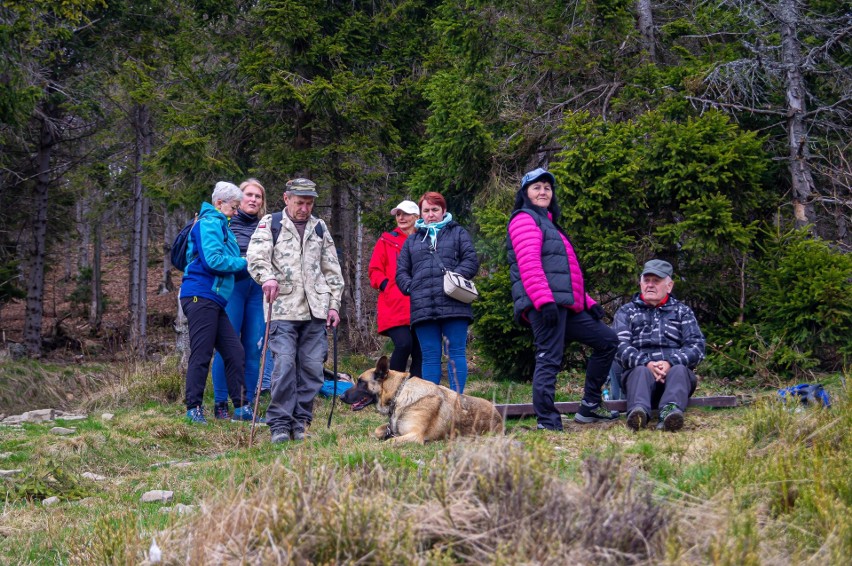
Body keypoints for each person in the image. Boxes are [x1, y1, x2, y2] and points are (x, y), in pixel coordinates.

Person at [506, 168, 619, 431]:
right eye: (536, 187)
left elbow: (564, 274)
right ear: (525, 193)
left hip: (564, 305)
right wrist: (544, 302)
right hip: (544, 304)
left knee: (607, 341)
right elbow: (529, 264)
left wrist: (589, 303)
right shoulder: (524, 220)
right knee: (549, 358)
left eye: (547, 187)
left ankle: (590, 406)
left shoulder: (549, 224)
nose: (543, 191)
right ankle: (547, 421)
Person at [247, 177, 344, 443]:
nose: (304, 208)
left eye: (309, 203)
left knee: (312, 369)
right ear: (287, 198)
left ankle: (301, 422)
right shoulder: (271, 223)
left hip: (316, 310)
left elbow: (332, 270)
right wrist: (266, 277)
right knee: (285, 366)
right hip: (282, 308)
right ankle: (279, 424)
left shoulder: (320, 227)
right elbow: (256, 257)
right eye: (300, 202)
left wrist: (334, 305)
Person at [179, 181, 252, 424]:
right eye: (233, 207)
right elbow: (213, 260)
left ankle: (241, 409)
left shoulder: (221, 224)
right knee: (201, 353)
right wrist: (246, 262)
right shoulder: (210, 223)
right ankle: (193, 409)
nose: (235, 212)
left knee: (234, 351)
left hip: (214, 298)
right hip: (200, 295)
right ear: (219, 203)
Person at [396, 191, 479, 393]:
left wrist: (452, 279)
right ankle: (432, 403)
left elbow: (471, 260)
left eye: (435, 209)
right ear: (421, 214)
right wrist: (411, 287)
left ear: (443, 211)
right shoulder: (412, 241)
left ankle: (457, 401)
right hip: (423, 307)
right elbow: (401, 272)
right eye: (427, 210)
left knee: (456, 353)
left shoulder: (458, 233)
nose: (431, 214)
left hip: (455, 304)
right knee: (430, 355)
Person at [613, 259, 706, 432]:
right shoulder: (626, 312)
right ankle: (638, 414)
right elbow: (619, 347)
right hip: (638, 382)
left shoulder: (682, 312)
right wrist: (646, 364)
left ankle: (670, 413)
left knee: (679, 370)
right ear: (640, 283)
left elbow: (697, 347)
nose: (650, 285)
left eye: (656, 281)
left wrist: (670, 362)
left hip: (675, 382)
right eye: (646, 280)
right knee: (640, 371)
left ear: (669, 286)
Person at [210, 178, 273, 420]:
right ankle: (220, 404)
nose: (254, 200)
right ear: (239, 197)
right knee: (227, 347)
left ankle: (245, 406)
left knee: (253, 350)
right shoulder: (225, 222)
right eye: (249, 195)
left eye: (258, 196)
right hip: (231, 288)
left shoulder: (266, 226)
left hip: (257, 290)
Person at [368, 200, 422, 377]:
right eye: (398, 214)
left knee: (420, 351)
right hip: (394, 304)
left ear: (417, 216)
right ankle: (392, 386)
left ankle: (416, 391)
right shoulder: (386, 240)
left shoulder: (425, 238)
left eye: (405, 214)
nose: (401, 217)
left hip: (420, 304)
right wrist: (387, 286)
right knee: (404, 343)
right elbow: (374, 270)